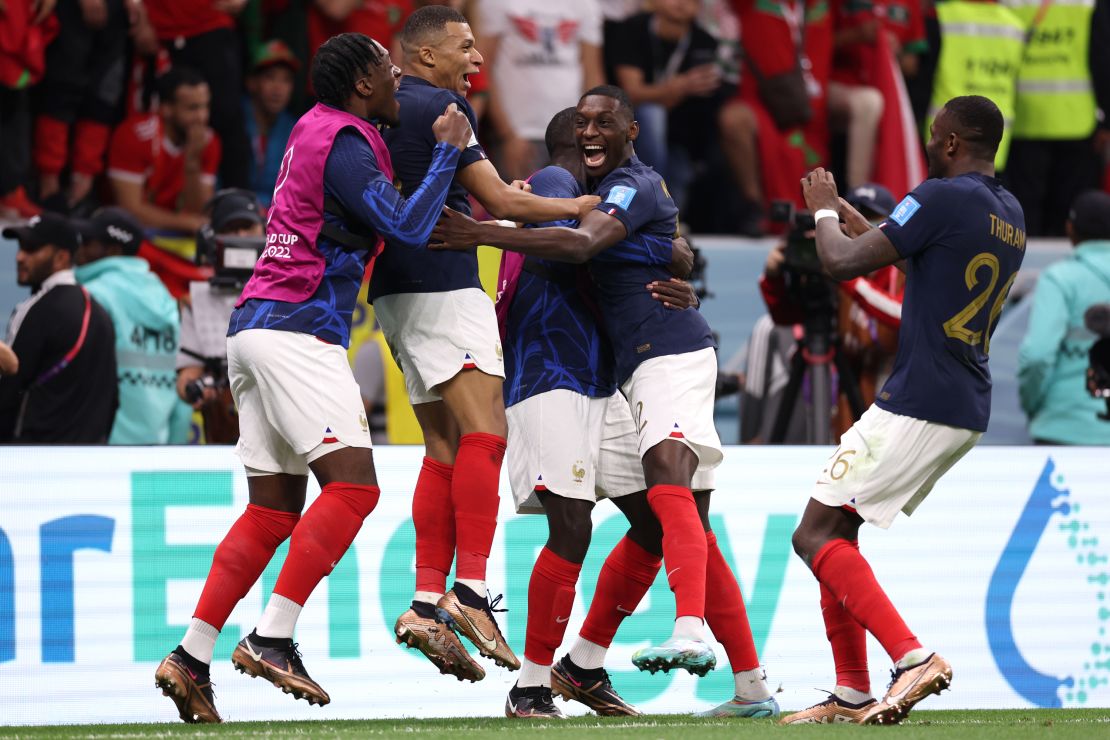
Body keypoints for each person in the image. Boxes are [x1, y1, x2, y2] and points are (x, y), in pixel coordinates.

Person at [152, 32, 474, 723]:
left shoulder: (309, 130)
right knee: (354, 489)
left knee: (271, 510)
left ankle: (190, 654)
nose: (396, 80)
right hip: (300, 327)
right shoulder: (349, 140)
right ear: (362, 85)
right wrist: (448, 150)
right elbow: (407, 226)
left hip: (253, 329)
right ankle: (273, 636)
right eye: (388, 72)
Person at [431, 85, 766, 689]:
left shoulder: (585, 196)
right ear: (571, 149)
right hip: (555, 376)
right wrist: (672, 255)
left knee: (662, 520)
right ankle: (534, 684)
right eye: (583, 127)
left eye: (603, 124)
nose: (591, 136)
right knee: (583, 526)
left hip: (602, 378)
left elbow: (626, 242)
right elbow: (592, 240)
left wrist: (674, 257)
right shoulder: (558, 187)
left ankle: (586, 665)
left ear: (626, 135)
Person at [782, 94, 1024, 725]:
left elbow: (837, 262)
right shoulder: (1009, 213)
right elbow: (910, 249)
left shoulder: (942, 196)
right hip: (963, 401)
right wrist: (846, 210)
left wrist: (818, 216)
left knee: (811, 533)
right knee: (839, 530)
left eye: (933, 133)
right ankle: (852, 692)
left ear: (948, 143)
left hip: (919, 397)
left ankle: (911, 657)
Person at [377, 4, 599, 680]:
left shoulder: (384, 110)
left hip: (393, 287)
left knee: (443, 447)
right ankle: (471, 591)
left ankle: (423, 601)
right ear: (423, 56)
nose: (478, 60)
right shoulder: (440, 109)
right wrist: (584, 208)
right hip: (443, 283)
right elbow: (505, 204)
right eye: (465, 47)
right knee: (485, 434)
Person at [74, 206, 191, 445]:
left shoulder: (92, 296)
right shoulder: (165, 298)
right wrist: (176, 451)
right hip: (157, 449)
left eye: (88, 241)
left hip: (101, 450)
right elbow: (183, 387)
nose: (80, 248)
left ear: (114, 250)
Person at [0, 213, 117, 443]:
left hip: (33, 463)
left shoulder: (34, 308)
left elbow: (8, 392)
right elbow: (112, 399)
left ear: (61, 257)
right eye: (21, 247)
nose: (20, 257)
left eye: (32, 249)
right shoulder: (101, 313)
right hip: (90, 462)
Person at [1017, 190, 1110, 445]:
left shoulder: (1059, 279)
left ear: (1070, 229)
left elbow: (1037, 356)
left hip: (1064, 431)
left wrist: (1033, 406)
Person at [176, 188, 266, 444]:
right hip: (225, 438)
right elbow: (188, 375)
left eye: (247, 228)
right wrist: (195, 390)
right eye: (231, 229)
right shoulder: (197, 301)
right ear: (211, 241)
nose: (240, 237)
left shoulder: (291, 292)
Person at [479, 0, 604, 181]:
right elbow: (482, 67)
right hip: (519, 134)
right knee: (517, 207)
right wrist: (507, 134)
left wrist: (591, 135)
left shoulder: (585, 4)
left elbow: (592, 73)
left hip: (571, 137)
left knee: (568, 206)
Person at [107, 66, 221, 234]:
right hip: (131, 231)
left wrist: (192, 162)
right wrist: (185, 224)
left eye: (205, 107)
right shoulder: (135, 135)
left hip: (176, 233)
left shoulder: (208, 142)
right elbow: (130, 209)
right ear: (166, 109)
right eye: (192, 108)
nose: (202, 117)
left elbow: (199, 212)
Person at [244, 40, 300, 209]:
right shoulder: (234, 123)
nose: (278, 88)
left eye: (286, 80)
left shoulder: (296, 130)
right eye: (270, 77)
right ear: (252, 82)